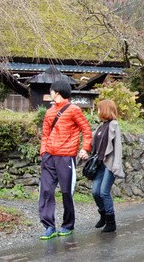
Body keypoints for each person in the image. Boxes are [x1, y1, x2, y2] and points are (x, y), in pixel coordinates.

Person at [38, 80, 92, 240]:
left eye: (51, 91)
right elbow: (45, 134)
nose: (50, 93)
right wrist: (43, 150)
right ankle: (49, 226)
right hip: (49, 156)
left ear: (58, 92)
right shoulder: (49, 112)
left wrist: (85, 148)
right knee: (46, 190)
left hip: (66, 157)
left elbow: (86, 130)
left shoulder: (74, 110)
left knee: (67, 191)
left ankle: (68, 225)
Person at [90, 100, 125, 233]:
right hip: (99, 164)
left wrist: (116, 165)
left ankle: (111, 221)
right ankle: (103, 214)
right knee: (95, 192)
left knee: (104, 191)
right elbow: (93, 146)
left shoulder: (114, 125)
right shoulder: (100, 127)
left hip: (109, 165)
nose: (98, 111)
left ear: (104, 110)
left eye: (99, 109)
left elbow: (118, 147)